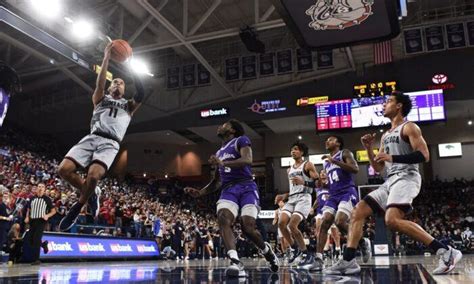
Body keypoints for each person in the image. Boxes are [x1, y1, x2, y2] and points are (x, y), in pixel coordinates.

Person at [324, 91, 463, 275]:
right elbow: (379, 167)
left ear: (399, 106)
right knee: (358, 211)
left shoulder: (409, 127)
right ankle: (349, 260)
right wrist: (369, 148)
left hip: (407, 177)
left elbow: (424, 155)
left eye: (388, 101)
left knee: (392, 220)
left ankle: (446, 252)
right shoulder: (385, 135)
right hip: (390, 180)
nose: (384, 104)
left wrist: (392, 156)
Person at [58, 42, 144, 231]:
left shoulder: (129, 106)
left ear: (124, 89)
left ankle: (79, 206)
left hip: (110, 143)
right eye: (115, 82)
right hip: (92, 137)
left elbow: (142, 92)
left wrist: (131, 67)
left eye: (121, 83)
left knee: (94, 175)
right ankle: (91, 193)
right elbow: (100, 83)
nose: (117, 84)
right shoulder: (100, 98)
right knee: (63, 170)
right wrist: (106, 57)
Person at [185, 119, 279, 277]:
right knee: (223, 218)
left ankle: (267, 251)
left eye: (224, 124)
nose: (220, 126)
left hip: (247, 186)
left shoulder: (241, 140)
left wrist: (222, 162)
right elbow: (216, 181)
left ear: (233, 130)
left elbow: (247, 160)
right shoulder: (219, 152)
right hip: (228, 190)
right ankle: (235, 261)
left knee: (247, 227)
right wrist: (200, 192)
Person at [297, 135, 369, 271]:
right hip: (333, 195)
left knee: (340, 221)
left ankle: (362, 241)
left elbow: (355, 169)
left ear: (338, 143)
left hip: (347, 192)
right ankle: (318, 259)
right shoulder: (326, 163)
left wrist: (335, 161)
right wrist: (319, 183)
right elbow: (330, 183)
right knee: (325, 223)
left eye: (330, 139)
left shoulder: (345, 153)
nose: (327, 141)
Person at [275, 142, 319, 267]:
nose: (292, 151)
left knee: (292, 225)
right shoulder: (289, 169)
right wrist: (284, 195)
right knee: (281, 223)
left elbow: (318, 183)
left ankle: (306, 254)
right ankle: (295, 248)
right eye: (292, 150)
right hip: (292, 199)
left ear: (302, 152)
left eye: (296, 149)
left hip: (304, 198)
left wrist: (304, 181)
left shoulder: (308, 164)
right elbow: (294, 189)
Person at [311, 170, 341, 260]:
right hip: (320, 211)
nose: (322, 174)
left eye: (324, 173)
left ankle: (338, 249)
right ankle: (323, 251)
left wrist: (332, 197)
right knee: (319, 231)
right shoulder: (318, 188)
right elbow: (318, 199)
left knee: (335, 233)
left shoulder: (332, 185)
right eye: (321, 173)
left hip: (331, 209)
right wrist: (312, 207)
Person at [25, 183, 56, 265]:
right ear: (36, 188)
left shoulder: (47, 199)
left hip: (41, 221)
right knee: (30, 240)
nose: (40, 188)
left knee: (36, 239)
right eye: (39, 186)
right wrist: (27, 217)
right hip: (32, 220)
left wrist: (47, 215)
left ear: (44, 189)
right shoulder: (32, 198)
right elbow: (29, 209)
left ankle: (37, 259)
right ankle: (44, 244)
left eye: (42, 187)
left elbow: (53, 211)